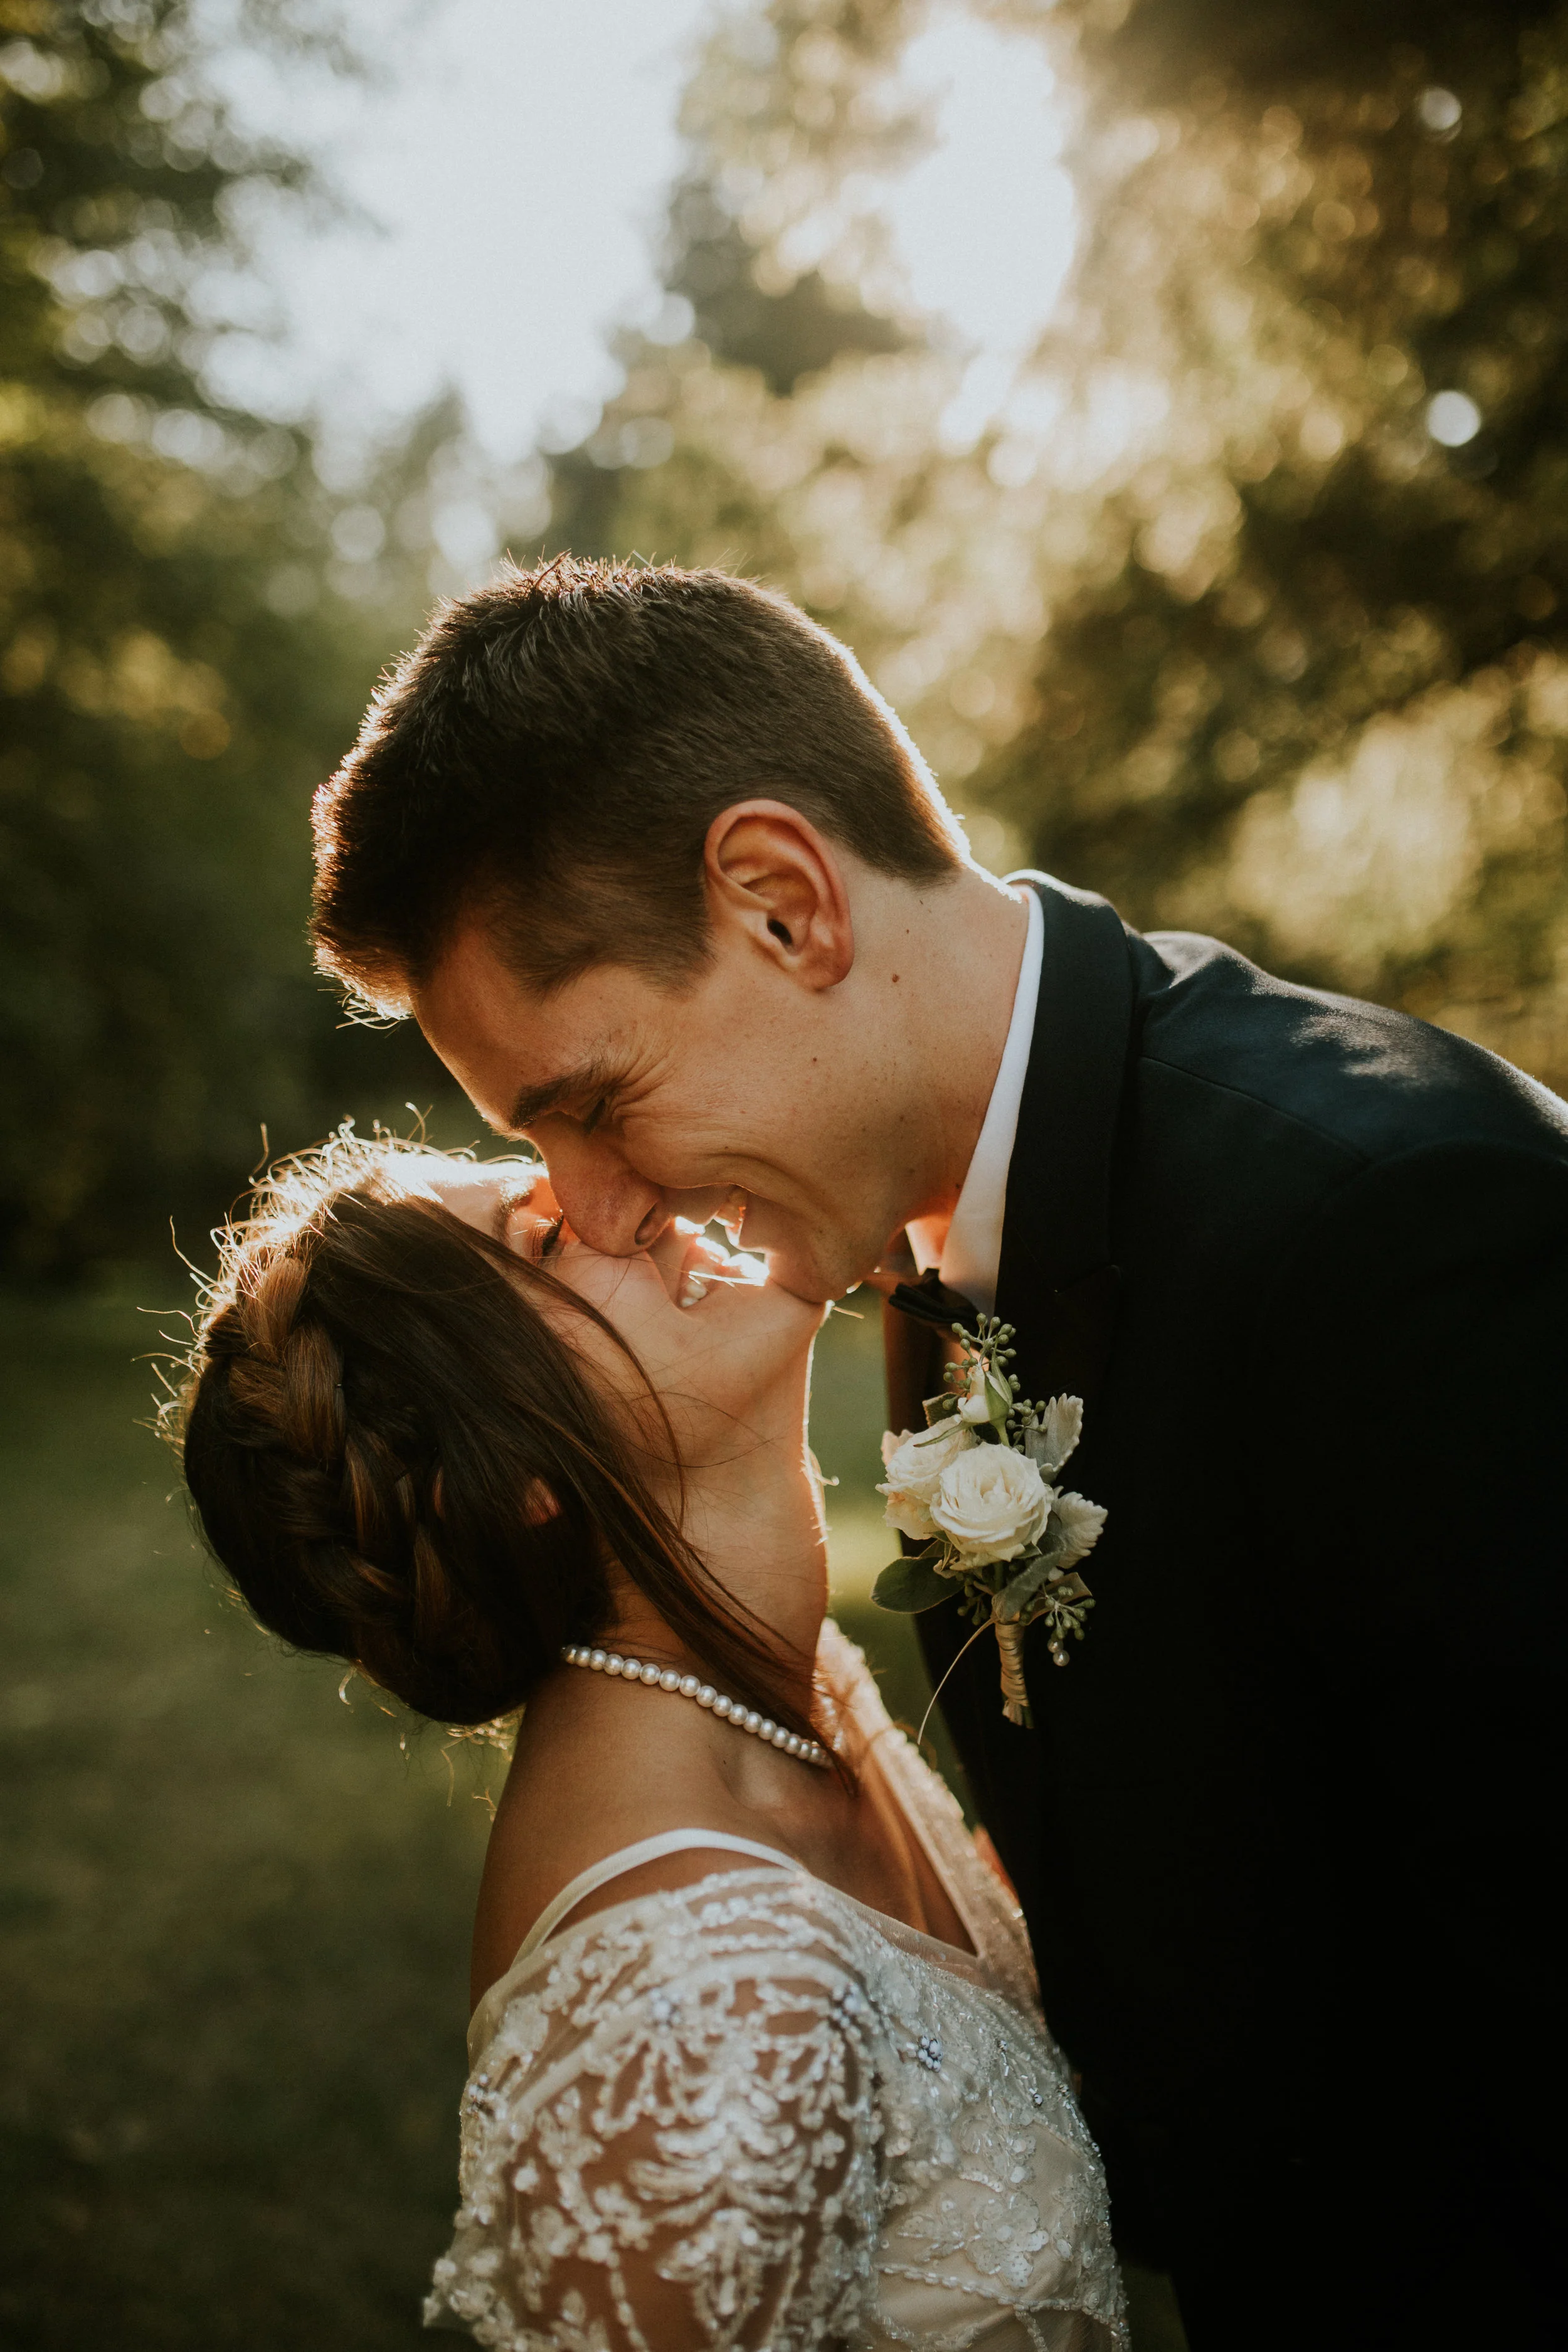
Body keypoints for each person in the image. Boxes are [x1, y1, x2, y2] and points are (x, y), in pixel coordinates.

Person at [309, 555, 1567, 2349]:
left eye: (590, 1102)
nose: (591, 1202)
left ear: (781, 902)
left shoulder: (1391, 1228)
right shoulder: (935, 1248)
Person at [179, 1134, 1126, 2351]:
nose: (625, 1196)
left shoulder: (806, 1696)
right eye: (542, 1234)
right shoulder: (698, 2009)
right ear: (511, 1465)